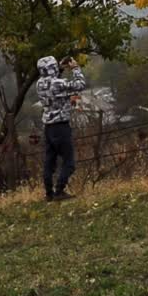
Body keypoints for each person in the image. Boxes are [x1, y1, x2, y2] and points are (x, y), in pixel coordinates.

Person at [36, 54, 85, 201]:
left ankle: (49, 193)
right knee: (69, 162)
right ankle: (60, 190)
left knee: (49, 162)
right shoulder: (57, 83)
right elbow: (79, 85)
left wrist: (61, 70)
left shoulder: (39, 84)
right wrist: (75, 68)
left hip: (48, 127)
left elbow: (55, 83)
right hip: (61, 126)